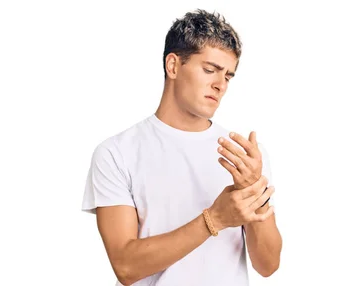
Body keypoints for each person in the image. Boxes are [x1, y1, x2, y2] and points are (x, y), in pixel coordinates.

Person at [81, 9, 282, 286]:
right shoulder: (117, 153)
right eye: (210, 70)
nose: (220, 85)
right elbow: (125, 266)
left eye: (228, 76)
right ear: (173, 66)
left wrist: (255, 193)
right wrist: (215, 219)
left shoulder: (243, 157)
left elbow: (268, 266)